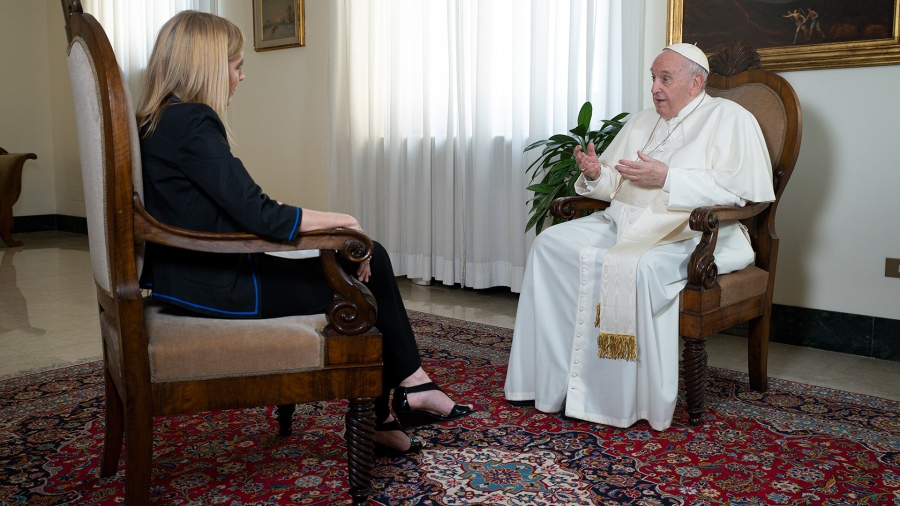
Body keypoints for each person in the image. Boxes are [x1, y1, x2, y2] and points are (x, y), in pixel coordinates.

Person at [135, 11, 471, 456]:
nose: (241, 77)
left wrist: (335, 230)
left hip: (190, 278)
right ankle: (405, 394)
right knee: (364, 273)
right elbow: (259, 214)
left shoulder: (158, 120)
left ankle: (399, 402)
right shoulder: (193, 121)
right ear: (208, 66)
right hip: (221, 286)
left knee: (364, 259)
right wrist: (342, 223)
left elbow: (239, 211)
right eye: (237, 66)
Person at [504, 44, 775, 431]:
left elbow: (741, 192)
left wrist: (668, 177)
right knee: (549, 246)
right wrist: (596, 174)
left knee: (641, 266)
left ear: (695, 82)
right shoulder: (642, 121)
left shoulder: (731, 119)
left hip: (691, 231)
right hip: (624, 221)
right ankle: (548, 384)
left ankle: (622, 400)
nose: (654, 88)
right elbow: (616, 184)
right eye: (653, 78)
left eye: (665, 78)